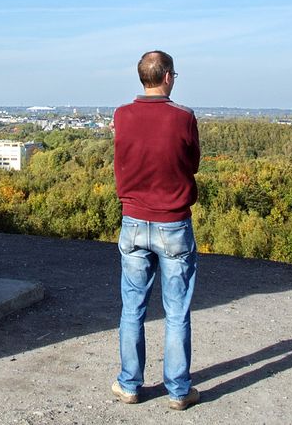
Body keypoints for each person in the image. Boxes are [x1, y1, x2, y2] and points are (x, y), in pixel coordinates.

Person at [111, 50, 201, 410]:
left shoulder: (122, 115)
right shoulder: (183, 118)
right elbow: (191, 163)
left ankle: (130, 384)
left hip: (133, 221)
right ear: (167, 78)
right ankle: (178, 391)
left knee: (132, 308)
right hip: (173, 223)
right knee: (176, 311)